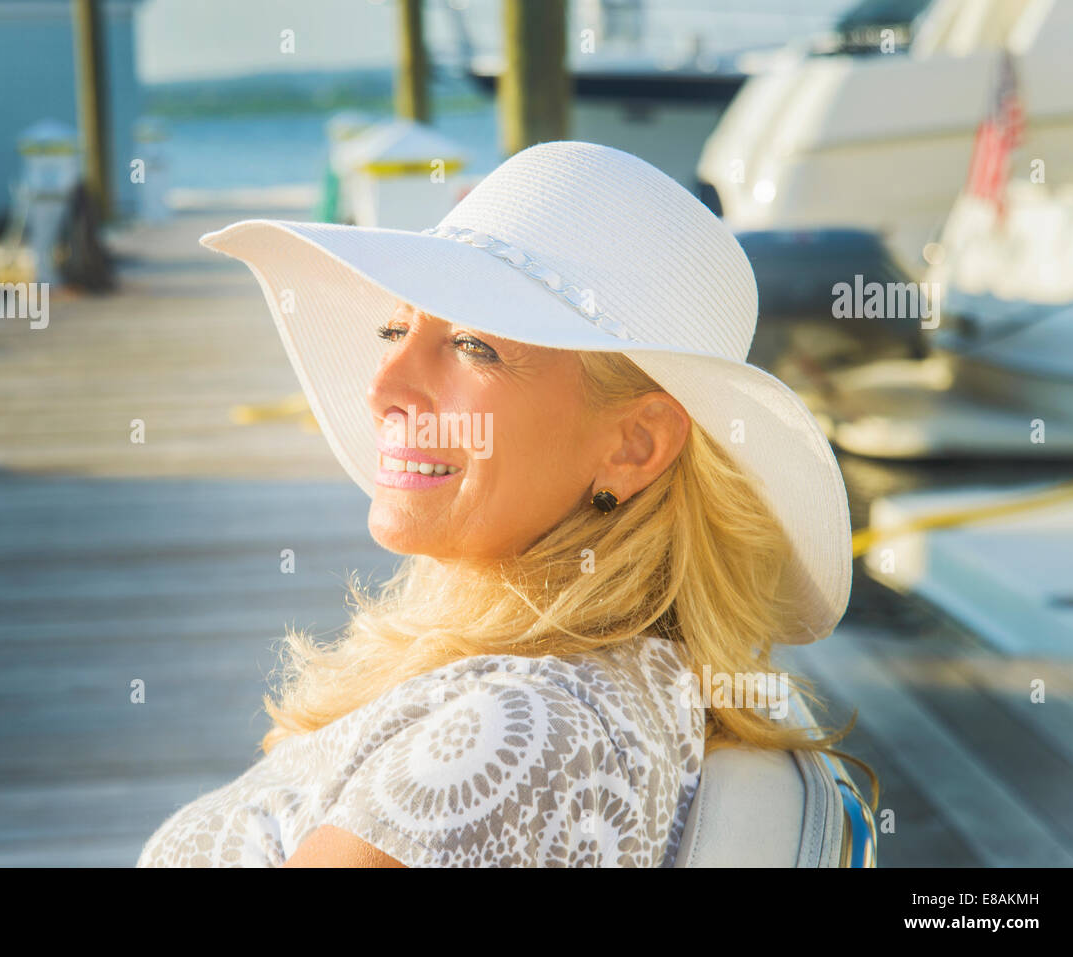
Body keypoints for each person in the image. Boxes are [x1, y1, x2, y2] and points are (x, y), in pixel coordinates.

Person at [137, 140, 871, 868]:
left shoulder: (519, 734)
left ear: (636, 445)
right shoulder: (595, 685)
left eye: (470, 344)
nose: (383, 384)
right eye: (396, 329)